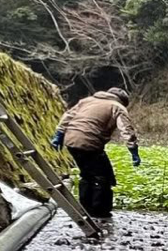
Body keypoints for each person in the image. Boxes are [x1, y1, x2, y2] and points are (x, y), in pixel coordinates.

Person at [51, 87, 140, 219]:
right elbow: (126, 130)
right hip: (90, 142)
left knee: (87, 174)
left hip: (71, 140)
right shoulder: (117, 107)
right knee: (102, 176)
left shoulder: (87, 101)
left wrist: (58, 135)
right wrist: (133, 151)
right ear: (123, 101)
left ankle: (85, 208)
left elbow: (67, 116)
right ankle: (99, 211)